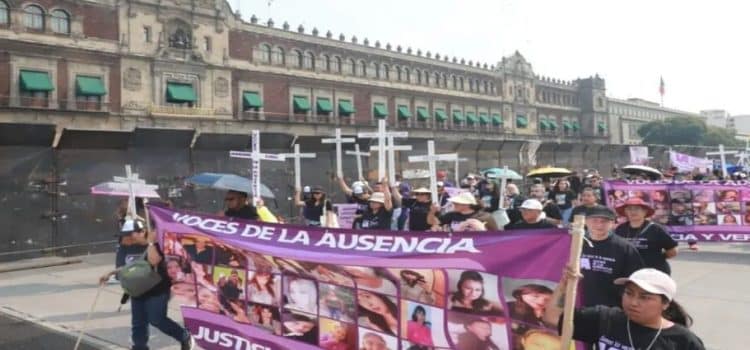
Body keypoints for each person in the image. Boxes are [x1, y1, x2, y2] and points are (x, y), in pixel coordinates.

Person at [543, 268, 705, 350]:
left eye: (645, 297)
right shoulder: (604, 318)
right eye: (629, 293)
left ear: (665, 303)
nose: (633, 302)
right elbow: (552, 318)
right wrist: (564, 285)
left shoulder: (683, 341)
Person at [98, 219, 194, 350]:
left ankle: (183, 336)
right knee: (138, 323)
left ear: (143, 231)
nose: (128, 238)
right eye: (125, 235)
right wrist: (111, 273)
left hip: (158, 289)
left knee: (156, 319)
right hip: (138, 288)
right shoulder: (128, 246)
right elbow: (133, 267)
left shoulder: (158, 242)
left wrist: (150, 242)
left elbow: (153, 261)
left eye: (131, 234)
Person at [579, 205, 644, 307]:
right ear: (586, 222)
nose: (599, 225)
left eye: (604, 221)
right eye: (595, 220)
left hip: (613, 307)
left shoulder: (625, 248)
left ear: (613, 224)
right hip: (579, 304)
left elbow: (636, 280)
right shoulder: (575, 245)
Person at [615, 198, 679, 275]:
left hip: (655, 272)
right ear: (625, 212)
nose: (633, 212)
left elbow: (673, 251)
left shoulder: (656, 229)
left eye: (637, 209)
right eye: (629, 209)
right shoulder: (620, 229)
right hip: (630, 273)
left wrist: (657, 259)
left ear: (645, 212)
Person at [430, 192, 498, 231]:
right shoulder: (451, 215)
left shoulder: (484, 216)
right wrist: (432, 212)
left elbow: (496, 235)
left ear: (466, 205)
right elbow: (432, 222)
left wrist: (482, 230)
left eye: (457, 203)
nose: (453, 205)